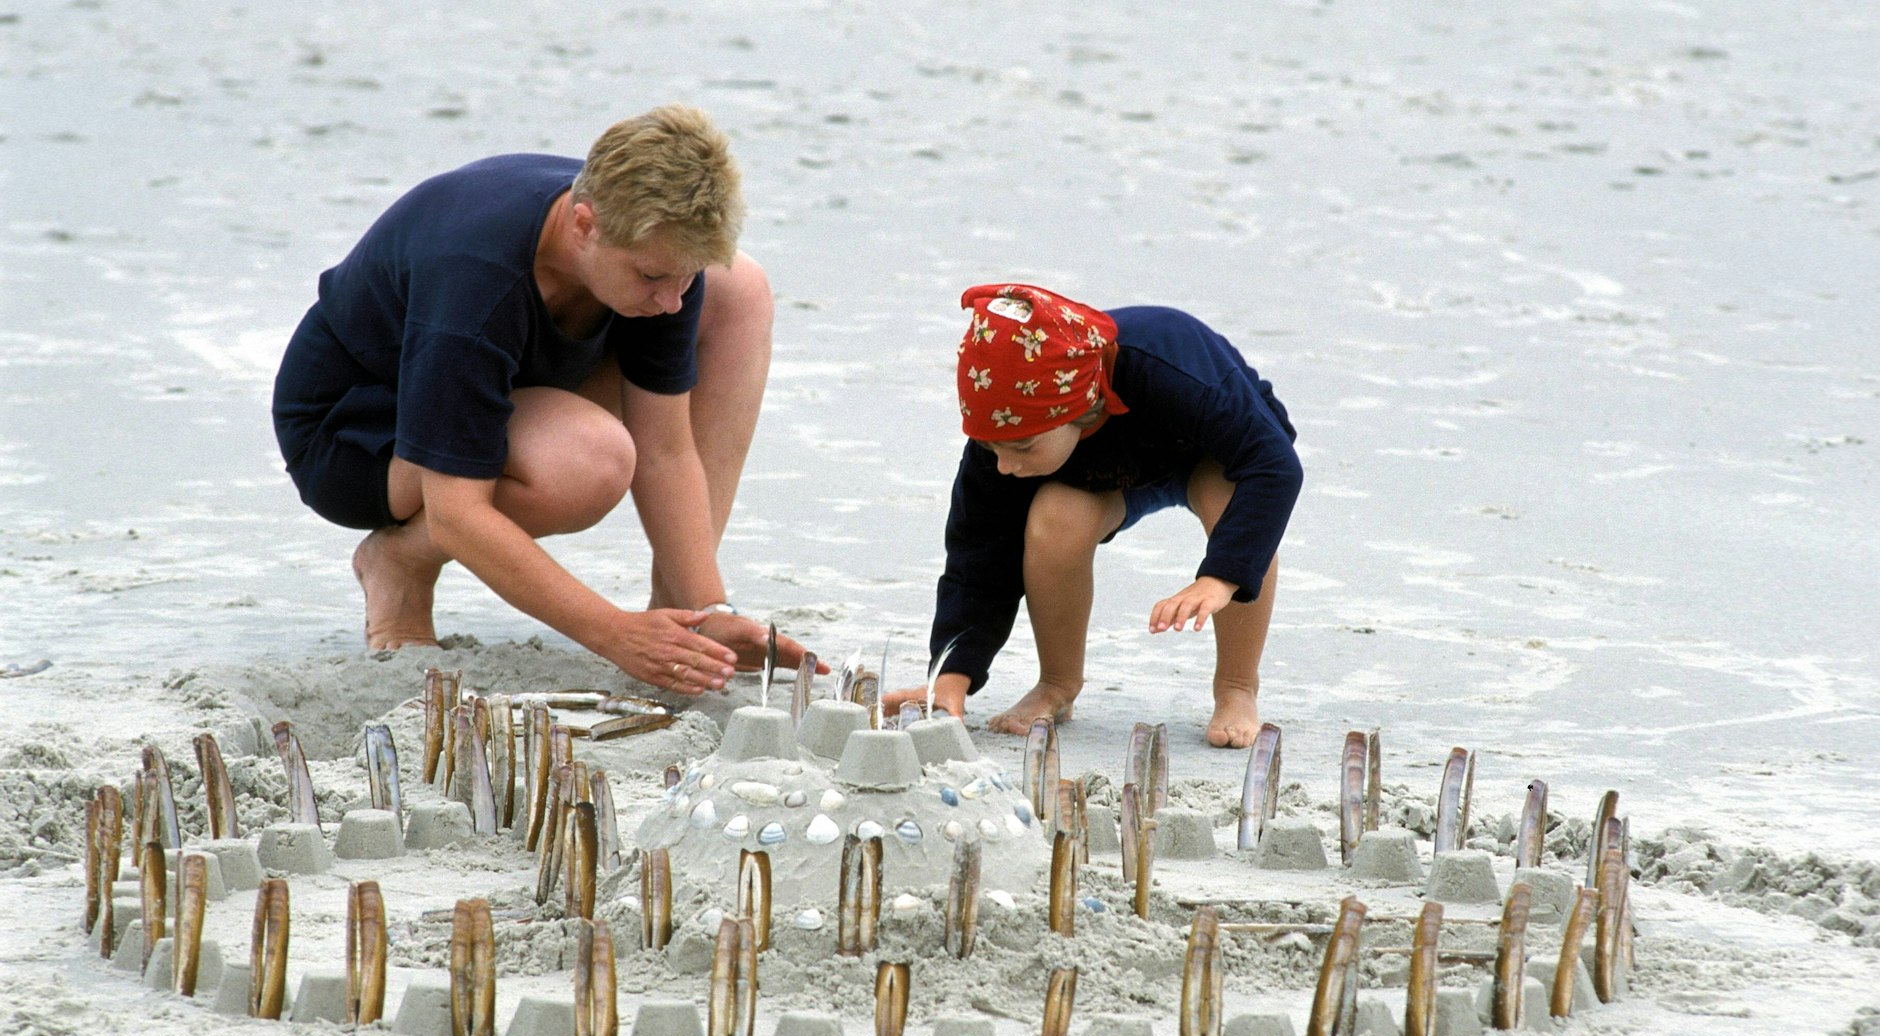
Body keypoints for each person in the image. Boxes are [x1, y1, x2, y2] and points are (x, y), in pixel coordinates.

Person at [271, 105, 822, 694]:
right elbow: (458, 513)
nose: (671, 301)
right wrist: (615, 634)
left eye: (684, 276)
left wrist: (709, 607)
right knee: (590, 462)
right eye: (651, 277)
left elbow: (664, 446)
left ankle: (680, 611)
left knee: (738, 289)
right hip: (359, 432)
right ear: (584, 225)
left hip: (508, 380)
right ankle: (402, 561)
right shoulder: (476, 272)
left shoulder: (655, 255)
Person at [883, 283, 1302, 748]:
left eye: (1022, 447)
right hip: (1109, 474)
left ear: (1076, 408)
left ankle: (1237, 687)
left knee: (1234, 507)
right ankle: (1058, 683)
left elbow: (1274, 464)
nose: (1003, 465)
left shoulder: (1170, 367)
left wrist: (1220, 578)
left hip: (1210, 454)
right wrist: (951, 676)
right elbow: (977, 558)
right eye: (990, 447)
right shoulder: (1003, 428)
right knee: (1055, 518)